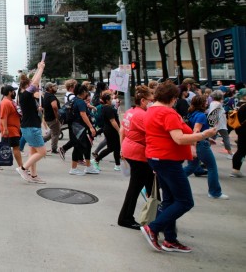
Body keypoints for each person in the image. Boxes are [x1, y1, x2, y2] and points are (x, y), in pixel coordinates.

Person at [140, 81, 218, 253]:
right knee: (184, 201)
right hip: (167, 159)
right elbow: (179, 138)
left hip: (157, 157)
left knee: (170, 200)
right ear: (173, 98)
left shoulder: (151, 110)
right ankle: (153, 228)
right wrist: (203, 134)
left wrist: (197, 137)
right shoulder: (168, 112)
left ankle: (170, 239)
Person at [118, 85, 156, 230]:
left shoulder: (131, 112)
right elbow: (152, 134)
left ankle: (155, 217)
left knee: (148, 186)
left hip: (132, 151)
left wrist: (122, 147)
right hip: (139, 154)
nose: (152, 102)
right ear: (143, 101)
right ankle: (126, 218)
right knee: (137, 188)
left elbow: (123, 129)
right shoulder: (142, 115)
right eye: (150, 100)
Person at [183, 94, 228, 200]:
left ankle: (171, 182)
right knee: (212, 167)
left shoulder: (192, 114)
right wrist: (195, 144)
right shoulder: (201, 116)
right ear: (203, 104)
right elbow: (197, 130)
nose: (207, 103)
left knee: (192, 167)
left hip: (198, 142)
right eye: (206, 101)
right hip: (201, 144)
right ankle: (214, 192)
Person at [15, 61, 47, 184]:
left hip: (29, 127)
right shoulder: (26, 95)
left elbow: (33, 81)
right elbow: (34, 82)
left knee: (33, 152)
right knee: (42, 152)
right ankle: (23, 169)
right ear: (26, 87)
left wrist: (38, 69)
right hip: (31, 128)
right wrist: (41, 69)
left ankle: (34, 176)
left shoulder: (24, 95)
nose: (35, 87)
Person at [0, 84, 23, 170]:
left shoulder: (10, 102)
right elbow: (3, 117)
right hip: (10, 130)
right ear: (9, 92)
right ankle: (22, 167)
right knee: (16, 147)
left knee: (3, 147)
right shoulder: (5, 103)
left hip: (12, 129)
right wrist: (5, 129)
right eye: (13, 91)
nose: (14, 93)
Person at [68, 84, 98, 176]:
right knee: (78, 147)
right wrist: (91, 127)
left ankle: (88, 167)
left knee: (87, 145)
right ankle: (73, 168)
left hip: (75, 127)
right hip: (79, 128)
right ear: (84, 92)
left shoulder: (74, 100)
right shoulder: (80, 102)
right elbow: (83, 114)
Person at [93, 93, 121, 171]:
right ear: (107, 100)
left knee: (117, 147)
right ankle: (96, 160)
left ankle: (117, 165)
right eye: (111, 99)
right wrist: (119, 130)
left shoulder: (106, 107)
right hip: (110, 130)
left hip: (110, 129)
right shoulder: (108, 108)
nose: (112, 100)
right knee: (111, 148)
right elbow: (112, 120)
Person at [207, 90, 232, 159]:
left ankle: (204, 151)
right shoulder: (217, 104)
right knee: (226, 138)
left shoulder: (213, 103)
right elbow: (214, 114)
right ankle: (230, 153)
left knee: (211, 138)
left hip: (216, 124)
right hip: (220, 124)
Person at [230, 88, 246, 178]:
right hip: (244, 131)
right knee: (241, 151)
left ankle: (235, 170)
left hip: (240, 131)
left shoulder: (239, 106)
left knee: (241, 151)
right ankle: (235, 170)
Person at [42, 82, 61, 154]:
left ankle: (41, 141)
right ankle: (54, 149)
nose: (55, 88)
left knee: (53, 132)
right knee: (56, 133)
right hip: (53, 118)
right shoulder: (51, 96)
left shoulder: (46, 95)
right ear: (49, 88)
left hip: (48, 117)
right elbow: (54, 106)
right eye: (53, 86)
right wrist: (57, 116)